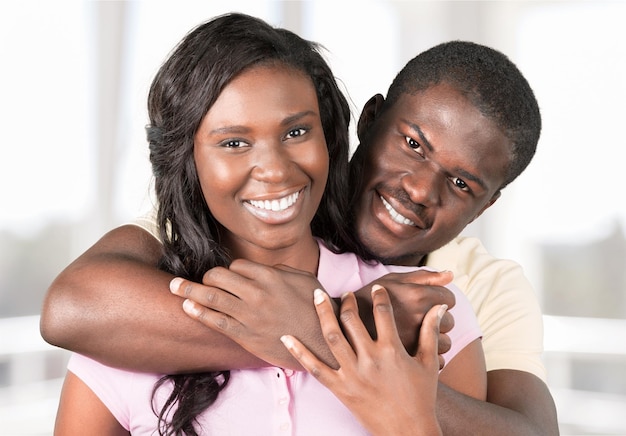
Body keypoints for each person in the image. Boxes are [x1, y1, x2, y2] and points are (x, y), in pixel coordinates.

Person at [41, 31, 559, 436]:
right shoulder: (159, 275)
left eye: (462, 182)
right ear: (369, 121)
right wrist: (334, 326)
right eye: (413, 144)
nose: (421, 190)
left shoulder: (455, 299)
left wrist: (385, 382)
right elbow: (72, 307)